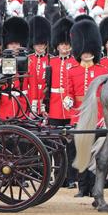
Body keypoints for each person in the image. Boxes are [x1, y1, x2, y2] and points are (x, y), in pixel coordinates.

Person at [64, 19, 107, 196]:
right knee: (82, 153)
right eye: (84, 51)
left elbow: (105, 96)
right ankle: (82, 188)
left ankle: (94, 188)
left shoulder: (101, 70)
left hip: (98, 115)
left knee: (95, 154)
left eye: (90, 51)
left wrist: (105, 116)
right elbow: (69, 91)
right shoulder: (72, 70)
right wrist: (67, 100)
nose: (87, 54)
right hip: (80, 114)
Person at [47, 18, 77, 187]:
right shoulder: (51, 62)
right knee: (55, 145)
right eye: (62, 45)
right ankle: (59, 177)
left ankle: (72, 177)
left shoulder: (75, 62)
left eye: (67, 45)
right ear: (57, 46)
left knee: (71, 146)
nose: (64, 48)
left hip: (70, 108)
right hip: (55, 107)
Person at [0, 17, 29, 120]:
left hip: (22, 104)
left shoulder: (28, 62)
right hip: (5, 105)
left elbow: (32, 86)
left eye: (16, 44)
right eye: (11, 44)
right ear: (7, 45)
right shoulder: (0, 62)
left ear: (21, 44)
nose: (14, 47)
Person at [26, 16, 51, 116]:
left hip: (45, 96)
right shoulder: (28, 59)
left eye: (43, 44)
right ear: (33, 44)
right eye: (37, 43)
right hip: (29, 96)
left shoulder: (51, 60)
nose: (40, 46)